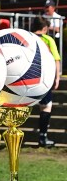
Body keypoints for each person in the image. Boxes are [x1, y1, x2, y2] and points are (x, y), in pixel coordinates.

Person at [35, 15, 61, 148]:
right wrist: (57, 77)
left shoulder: (27, 37)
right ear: (45, 28)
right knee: (46, 106)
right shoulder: (48, 39)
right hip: (44, 78)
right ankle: (43, 137)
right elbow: (56, 59)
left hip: (26, 79)